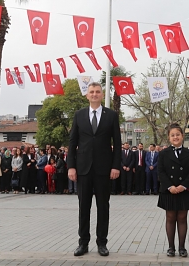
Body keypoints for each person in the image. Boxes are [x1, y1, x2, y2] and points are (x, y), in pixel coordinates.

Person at [67, 82, 122, 257]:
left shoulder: (111, 115)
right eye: (92, 92)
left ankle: (102, 243)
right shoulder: (79, 115)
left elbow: (118, 144)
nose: (95, 94)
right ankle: (83, 243)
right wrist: (71, 167)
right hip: (83, 169)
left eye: (98, 92)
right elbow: (72, 143)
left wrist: (115, 166)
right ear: (87, 95)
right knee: (84, 207)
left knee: (103, 207)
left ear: (101, 94)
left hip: (104, 169)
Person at [157, 123, 189, 257]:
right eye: (172, 135)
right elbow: (161, 172)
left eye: (178, 134)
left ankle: (182, 247)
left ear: (182, 136)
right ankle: (171, 247)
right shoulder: (163, 154)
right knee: (170, 217)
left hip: (184, 190)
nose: (175, 137)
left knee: (182, 218)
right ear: (169, 137)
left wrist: (183, 186)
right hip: (169, 190)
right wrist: (170, 186)